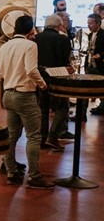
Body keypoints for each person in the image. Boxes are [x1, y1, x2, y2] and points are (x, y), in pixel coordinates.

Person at [0, 16, 53, 188]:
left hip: (8, 94)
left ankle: (11, 171)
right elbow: (31, 70)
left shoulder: (4, 46)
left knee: (12, 136)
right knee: (34, 136)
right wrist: (42, 84)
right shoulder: (30, 45)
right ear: (30, 30)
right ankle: (34, 177)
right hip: (25, 95)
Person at [35, 14, 74, 149]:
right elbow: (66, 61)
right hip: (58, 78)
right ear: (59, 25)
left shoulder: (36, 38)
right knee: (63, 107)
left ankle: (41, 139)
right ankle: (53, 137)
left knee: (43, 109)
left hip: (40, 78)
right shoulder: (63, 39)